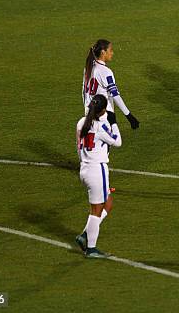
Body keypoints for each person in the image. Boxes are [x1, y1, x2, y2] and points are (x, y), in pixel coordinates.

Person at [75, 95, 122, 258]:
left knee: (108, 202)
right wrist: (114, 122)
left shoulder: (81, 122)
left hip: (84, 169)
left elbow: (77, 146)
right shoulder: (101, 126)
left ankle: (85, 235)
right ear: (103, 111)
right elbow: (118, 142)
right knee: (95, 211)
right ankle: (91, 248)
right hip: (97, 170)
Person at [83, 39, 140, 129]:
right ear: (103, 52)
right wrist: (129, 116)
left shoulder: (88, 68)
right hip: (103, 115)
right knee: (112, 141)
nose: (112, 53)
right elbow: (115, 95)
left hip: (89, 113)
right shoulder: (105, 72)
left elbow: (84, 92)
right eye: (110, 50)